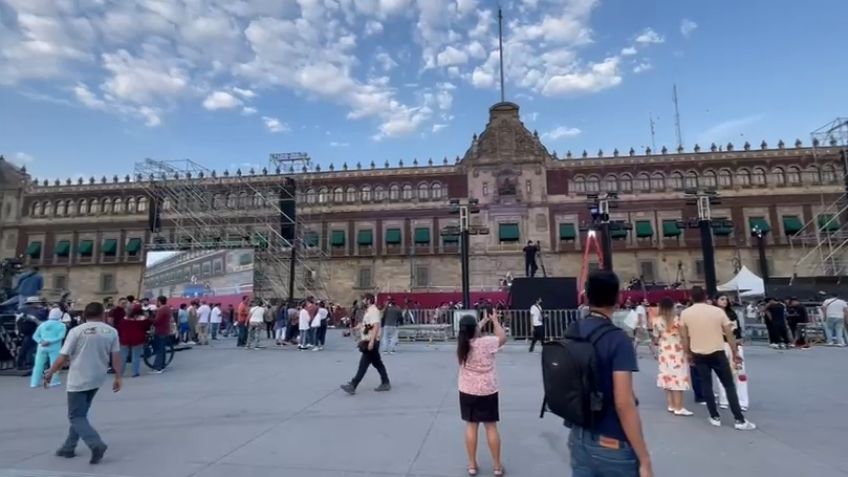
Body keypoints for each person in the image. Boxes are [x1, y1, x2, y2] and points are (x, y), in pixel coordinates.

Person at [567, 271, 652, 477]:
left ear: (586, 297)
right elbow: (623, 403)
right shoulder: (618, 340)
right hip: (611, 439)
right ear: (618, 298)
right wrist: (644, 458)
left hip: (578, 435)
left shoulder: (573, 330)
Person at [43, 302, 121, 464]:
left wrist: (51, 372)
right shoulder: (111, 332)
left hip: (79, 378)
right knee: (81, 413)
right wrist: (118, 376)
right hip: (97, 377)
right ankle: (68, 447)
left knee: (75, 415)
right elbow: (116, 357)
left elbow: (63, 356)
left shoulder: (76, 331)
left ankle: (95, 443)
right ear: (102, 314)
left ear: (85, 314)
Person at [680, 287, 755, 430]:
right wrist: (735, 352)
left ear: (691, 297)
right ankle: (739, 419)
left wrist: (688, 353)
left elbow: (684, 336)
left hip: (698, 352)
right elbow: (729, 333)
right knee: (729, 385)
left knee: (706, 384)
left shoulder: (685, 313)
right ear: (705, 296)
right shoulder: (717, 312)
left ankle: (714, 416)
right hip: (717, 351)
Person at [456, 308, 507, 476]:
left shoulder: (462, 345)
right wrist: (495, 321)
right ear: (475, 329)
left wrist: (482, 322)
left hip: (467, 390)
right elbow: (502, 338)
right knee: (491, 427)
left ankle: (471, 464)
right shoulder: (486, 343)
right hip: (487, 389)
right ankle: (497, 466)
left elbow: (470, 331)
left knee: (471, 426)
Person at [341, 293, 391, 394]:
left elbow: (376, 326)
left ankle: (353, 385)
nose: (362, 301)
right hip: (369, 340)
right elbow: (369, 325)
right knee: (377, 363)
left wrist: (372, 341)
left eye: (363, 299)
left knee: (363, 365)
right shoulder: (369, 311)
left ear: (368, 300)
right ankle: (385, 382)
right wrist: (356, 328)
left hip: (370, 341)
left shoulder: (373, 311)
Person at [652, 297, 692, 416]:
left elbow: (655, 338)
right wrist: (688, 351)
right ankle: (679, 406)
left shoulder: (656, 320)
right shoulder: (676, 320)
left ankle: (671, 404)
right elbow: (684, 337)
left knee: (667, 376)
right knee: (678, 376)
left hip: (664, 349)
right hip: (677, 350)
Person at [715, 294, 749, 411]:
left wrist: (738, 341)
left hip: (734, 343)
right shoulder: (713, 315)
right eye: (722, 299)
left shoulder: (732, 314)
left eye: (726, 299)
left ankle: (742, 401)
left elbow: (737, 329)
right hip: (720, 345)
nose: (724, 301)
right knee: (723, 372)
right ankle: (724, 399)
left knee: (740, 372)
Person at [30, 307, 67, 388]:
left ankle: (34, 382)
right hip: (54, 347)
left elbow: (35, 336)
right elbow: (61, 336)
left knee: (38, 365)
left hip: (41, 347)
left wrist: (41, 341)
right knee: (54, 364)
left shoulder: (42, 324)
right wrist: (50, 341)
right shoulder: (62, 325)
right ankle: (54, 381)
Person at [117, 304, 150, 378]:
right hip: (138, 339)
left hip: (125, 338)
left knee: (122, 356)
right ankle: (135, 372)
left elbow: (120, 328)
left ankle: (120, 373)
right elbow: (147, 327)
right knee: (136, 356)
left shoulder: (125, 318)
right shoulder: (143, 319)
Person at [151, 296, 172, 373]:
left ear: (159, 301)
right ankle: (162, 366)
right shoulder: (167, 308)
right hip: (165, 330)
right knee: (162, 349)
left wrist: (150, 319)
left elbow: (156, 321)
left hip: (160, 331)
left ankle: (158, 367)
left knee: (159, 349)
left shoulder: (161, 310)